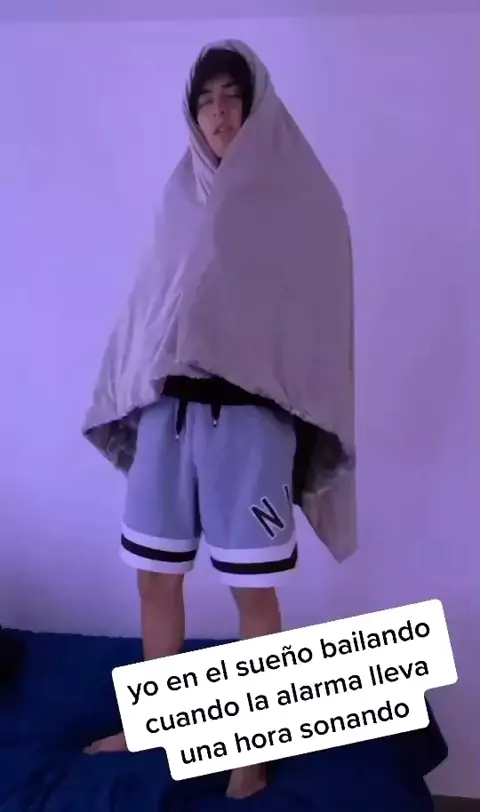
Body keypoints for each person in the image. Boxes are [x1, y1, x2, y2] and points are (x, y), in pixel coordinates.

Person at [83, 40, 356, 801]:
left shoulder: (303, 198)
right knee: (154, 577)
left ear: (257, 104)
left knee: (251, 588)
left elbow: (316, 314)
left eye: (232, 95)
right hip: (170, 419)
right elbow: (151, 310)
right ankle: (154, 721)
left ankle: (251, 749)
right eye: (205, 100)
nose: (219, 111)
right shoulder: (180, 198)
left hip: (251, 428)